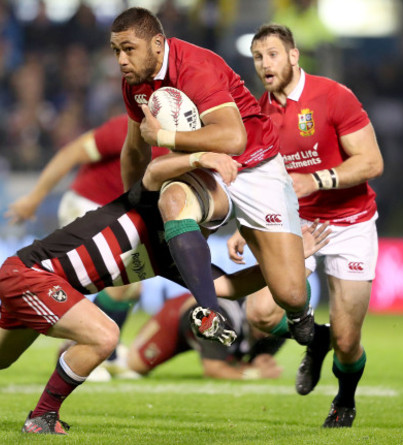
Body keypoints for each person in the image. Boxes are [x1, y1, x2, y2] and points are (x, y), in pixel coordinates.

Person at [0, 151, 329, 435]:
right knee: (103, 335)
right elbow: (156, 170)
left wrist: (283, 266)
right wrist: (203, 156)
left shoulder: (175, 253)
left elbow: (221, 287)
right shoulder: (151, 200)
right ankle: (42, 417)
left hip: (31, 276)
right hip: (33, 275)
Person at [109, 7, 314, 347]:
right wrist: (135, 208)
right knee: (170, 203)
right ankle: (209, 311)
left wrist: (165, 139)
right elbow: (134, 150)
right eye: (116, 50)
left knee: (289, 293)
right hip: (204, 170)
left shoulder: (194, 67)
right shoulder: (135, 84)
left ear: (157, 44)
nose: (121, 59)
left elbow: (234, 138)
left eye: (129, 48)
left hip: (256, 168)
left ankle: (299, 311)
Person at [236, 24, 384, 427]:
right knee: (260, 313)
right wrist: (241, 227)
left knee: (348, 342)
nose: (265, 65)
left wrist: (317, 179)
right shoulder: (257, 114)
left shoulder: (334, 95)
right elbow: (258, 179)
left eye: (272, 54)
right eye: (257, 57)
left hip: (350, 223)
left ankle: (344, 400)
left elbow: (372, 162)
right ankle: (315, 338)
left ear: (294, 55)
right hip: (297, 222)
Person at [5, 113, 169, 380]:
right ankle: (75, 349)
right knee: (124, 279)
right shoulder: (130, 127)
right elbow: (71, 153)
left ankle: (110, 352)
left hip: (117, 214)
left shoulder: (182, 143)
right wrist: (35, 197)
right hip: (85, 204)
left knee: (134, 286)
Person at [128, 292, 285, 380]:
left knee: (230, 363)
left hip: (222, 335)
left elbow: (256, 362)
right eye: (266, 315)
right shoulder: (218, 318)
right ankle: (119, 351)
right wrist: (255, 374)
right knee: (134, 366)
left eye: (275, 318)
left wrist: (258, 365)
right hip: (176, 320)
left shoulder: (279, 329)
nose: (269, 325)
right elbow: (213, 369)